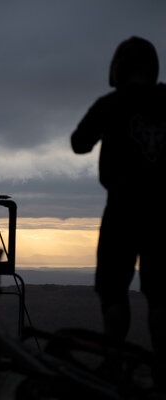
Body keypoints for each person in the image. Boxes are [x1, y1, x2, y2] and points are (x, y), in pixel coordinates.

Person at [70, 36, 166, 384]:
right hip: (163, 213)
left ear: (120, 67)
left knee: (113, 289)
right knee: (161, 294)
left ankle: (113, 364)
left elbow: (79, 143)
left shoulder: (111, 104)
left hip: (122, 208)